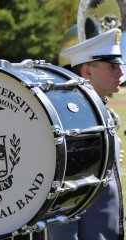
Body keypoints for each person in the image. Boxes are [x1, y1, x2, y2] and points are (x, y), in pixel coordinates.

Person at [47, 28, 124, 240]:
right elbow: (65, 205)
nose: (121, 73)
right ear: (87, 72)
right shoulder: (73, 121)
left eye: (119, 66)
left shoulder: (97, 111)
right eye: (112, 67)